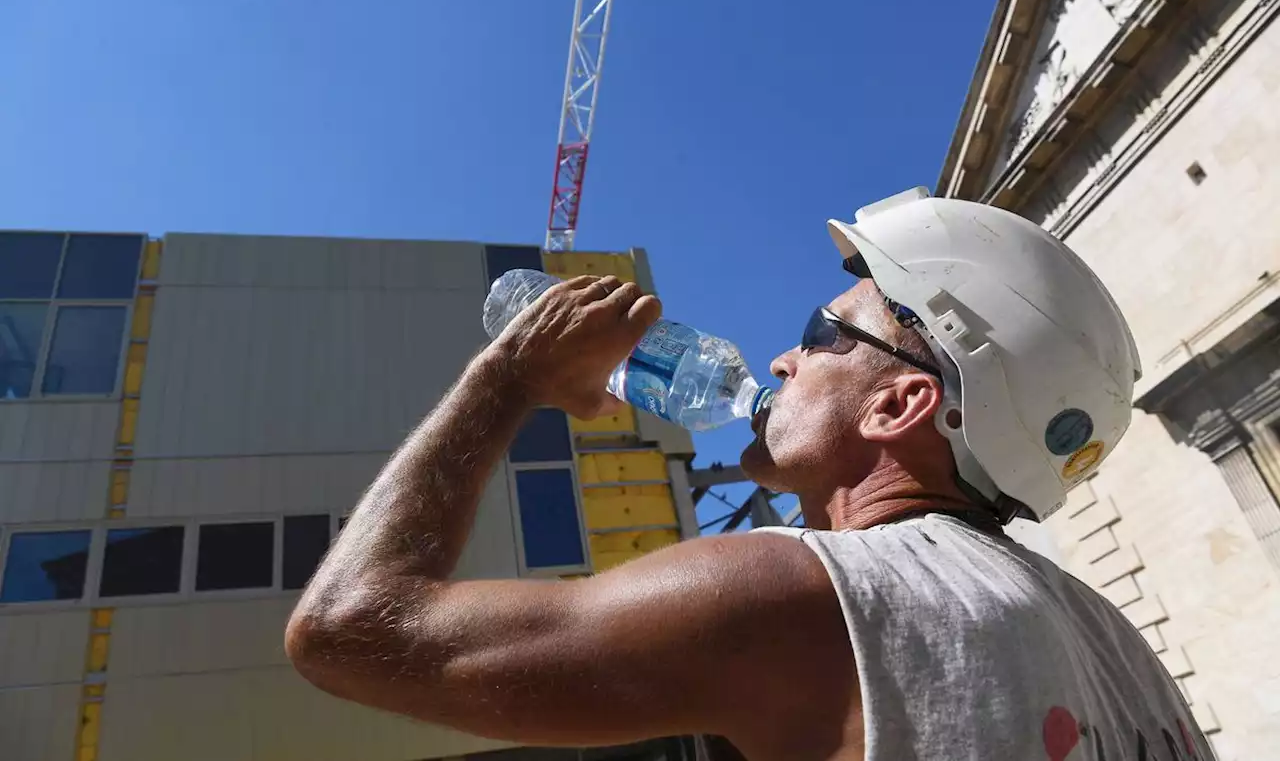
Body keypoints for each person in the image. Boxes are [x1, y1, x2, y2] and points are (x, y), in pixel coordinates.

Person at [286, 188, 1212, 760]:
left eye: (822, 332)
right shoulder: (1118, 650)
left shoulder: (807, 596)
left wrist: (508, 376)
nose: (780, 360)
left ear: (899, 408)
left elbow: (346, 631)